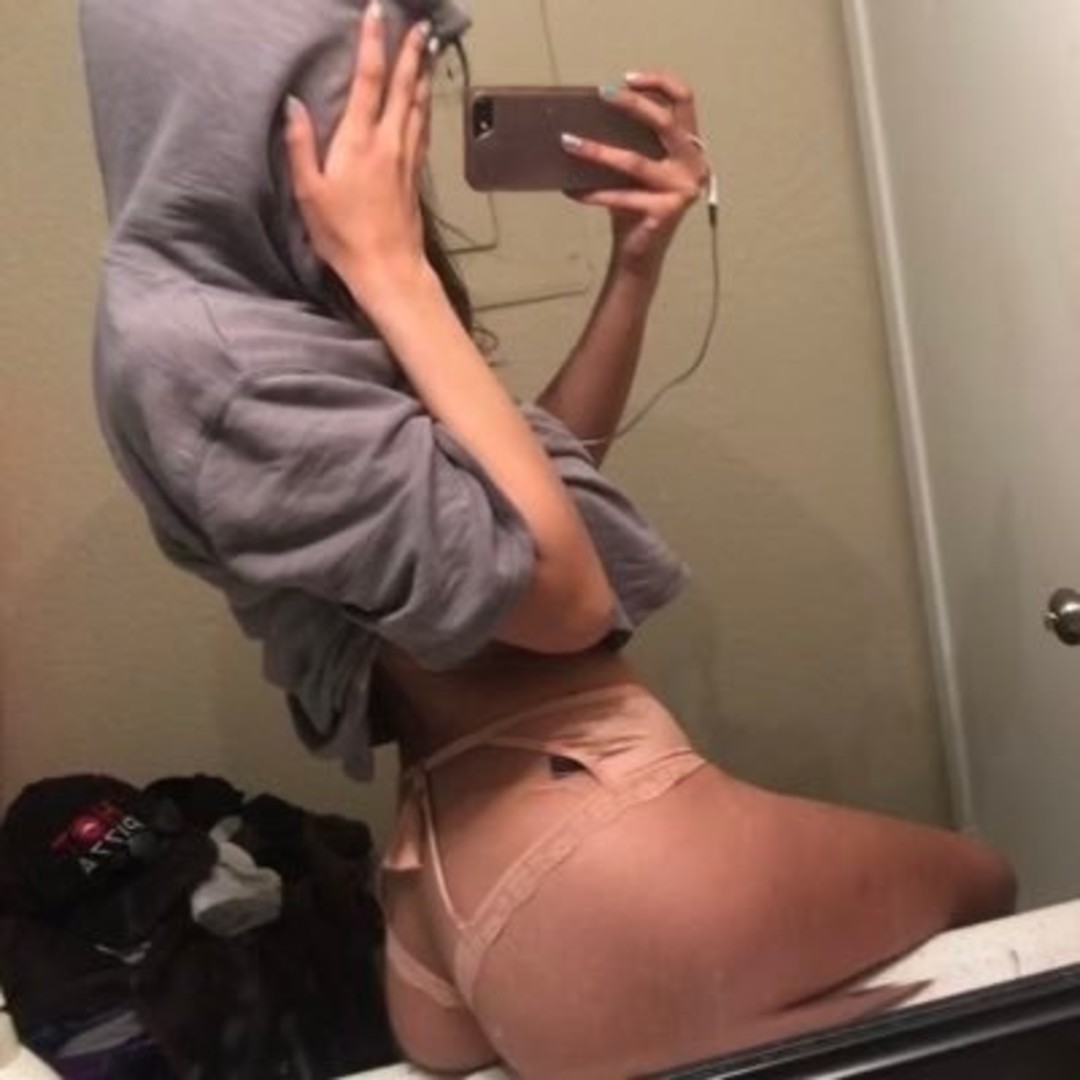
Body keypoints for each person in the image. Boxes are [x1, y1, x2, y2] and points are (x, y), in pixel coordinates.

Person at [80, 0, 1016, 1076]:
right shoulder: (205, 353)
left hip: (457, 860)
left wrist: (634, 268)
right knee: (983, 882)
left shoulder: (246, 304)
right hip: (588, 852)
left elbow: (504, 526)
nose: (405, 139)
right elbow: (563, 597)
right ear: (246, 109)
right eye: (371, 99)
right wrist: (399, 278)